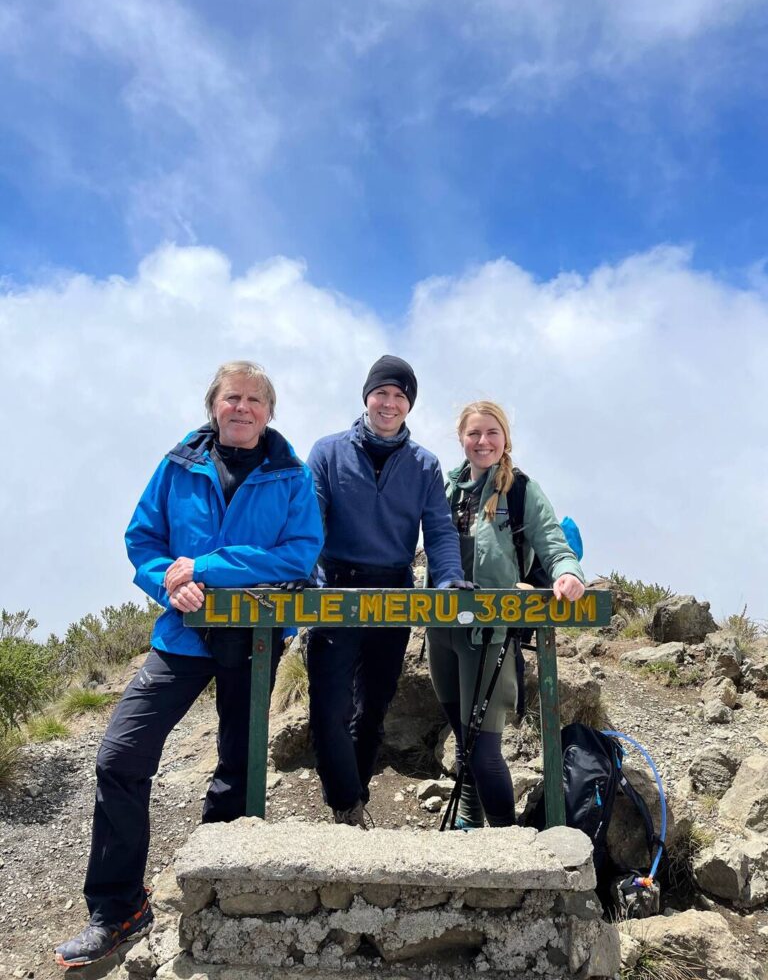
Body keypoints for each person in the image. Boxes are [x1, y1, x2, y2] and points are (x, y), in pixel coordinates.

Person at [55, 361, 323, 969]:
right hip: (181, 636)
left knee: (238, 766)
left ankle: (220, 887)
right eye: (233, 397)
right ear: (214, 405)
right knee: (119, 757)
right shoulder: (178, 466)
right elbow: (143, 542)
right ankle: (118, 907)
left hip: (253, 639)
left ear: (269, 412)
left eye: (255, 399)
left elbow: (300, 554)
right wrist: (168, 584)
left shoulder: (292, 475)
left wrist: (205, 567)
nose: (243, 408)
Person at [306, 355, 468, 827]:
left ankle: (351, 804)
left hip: (395, 591)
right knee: (327, 706)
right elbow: (312, 522)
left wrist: (449, 578)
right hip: (336, 588)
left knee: (373, 707)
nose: (390, 403)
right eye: (382, 393)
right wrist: (307, 577)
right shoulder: (327, 452)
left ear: (409, 405)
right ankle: (346, 801)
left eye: (400, 396)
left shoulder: (425, 465)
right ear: (367, 397)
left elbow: (438, 530)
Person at [426, 400, 586, 829]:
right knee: (463, 740)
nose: (482, 441)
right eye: (474, 434)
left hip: (490, 634)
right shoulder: (447, 489)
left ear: (505, 439)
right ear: (462, 439)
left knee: (483, 748)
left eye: (491, 433)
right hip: (441, 631)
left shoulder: (521, 491)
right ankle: (469, 817)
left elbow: (553, 543)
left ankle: (505, 840)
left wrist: (568, 574)